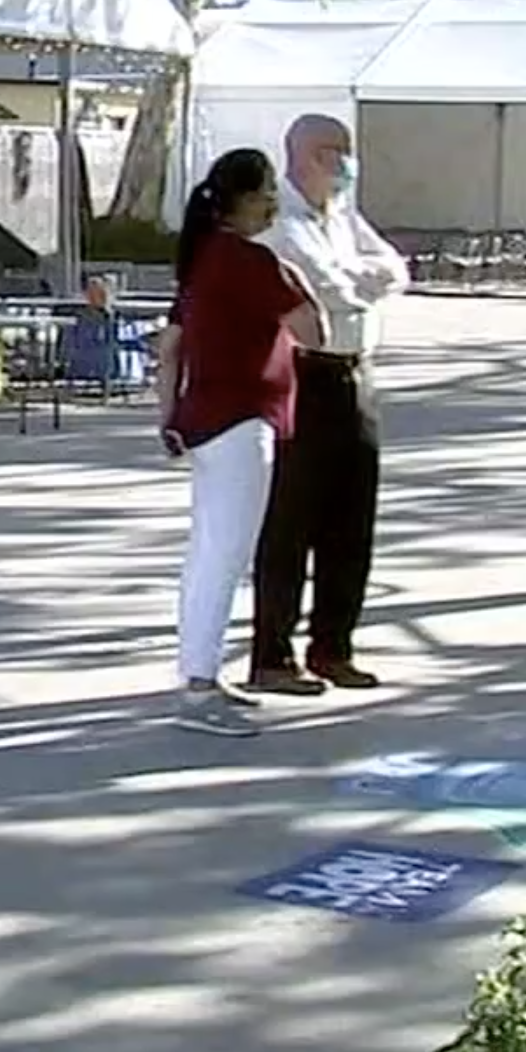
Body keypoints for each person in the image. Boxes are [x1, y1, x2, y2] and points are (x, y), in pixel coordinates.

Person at [155, 147, 318, 737]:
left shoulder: (201, 259)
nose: (275, 200)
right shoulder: (250, 261)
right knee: (225, 554)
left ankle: (199, 670)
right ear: (243, 200)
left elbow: (169, 347)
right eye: (268, 189)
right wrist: (299, 274)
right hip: (242, 419)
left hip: (206, 419)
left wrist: (168, 413)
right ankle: (198, 689)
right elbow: (312, 328)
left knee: (207, 552)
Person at [247, 113, 411, 694]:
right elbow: (330, 293)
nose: (345, 164)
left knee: (351, 523)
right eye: (336, 152)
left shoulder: (342, 216)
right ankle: (272, 654)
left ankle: (333, 646)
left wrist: (361, 277)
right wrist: (357, 282)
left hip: (356, 375)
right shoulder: (280, 222)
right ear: (307, 155)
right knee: (291, 521)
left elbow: (395, 269)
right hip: (303, 378)